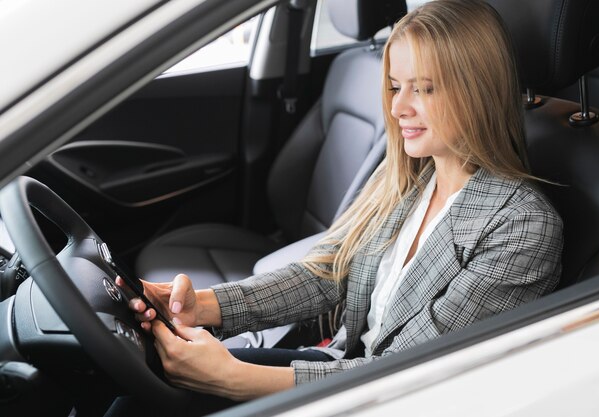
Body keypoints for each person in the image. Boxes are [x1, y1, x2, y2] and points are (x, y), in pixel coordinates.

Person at [122, 0, 563, 404]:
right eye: (395, 87)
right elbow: (326, 273)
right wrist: (203, 306)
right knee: (142, 384)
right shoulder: (409, 173)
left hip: (388, 398)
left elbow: (411, 373)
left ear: (478, 91)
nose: (397, 109)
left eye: (424, 89)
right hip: (343, 367)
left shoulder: (521, 227)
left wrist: (234, 377)